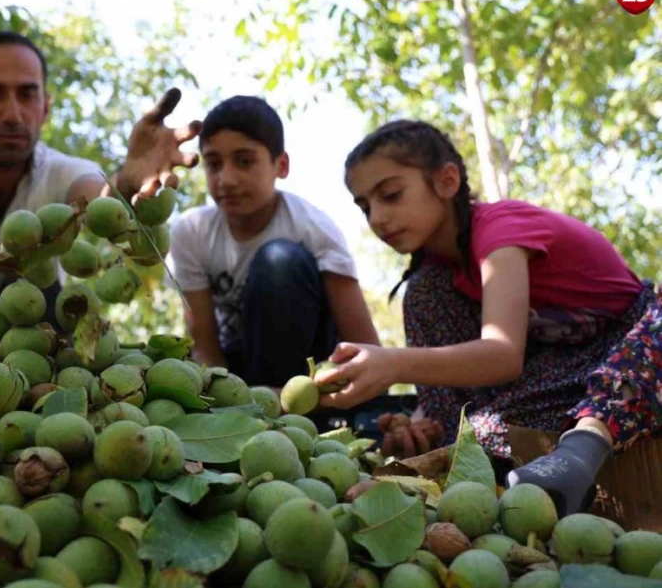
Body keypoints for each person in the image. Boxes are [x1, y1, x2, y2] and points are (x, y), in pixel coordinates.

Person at [319, 118, 662, 517]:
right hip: (565, 371)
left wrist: (392, 363)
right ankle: (454, 458)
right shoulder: (436, 279)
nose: (376, 218)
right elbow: (465, 381)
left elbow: (502, 354)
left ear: (447, 182)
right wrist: (419, 424)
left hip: (636, 342)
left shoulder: (500, 231)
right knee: (428, 300)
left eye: (391, 195)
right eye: (364, 207)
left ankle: (585, 444)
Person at [0, 31, 202, 370]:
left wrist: (128, 185)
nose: (12, 113)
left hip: (35, 372)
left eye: (27, 94)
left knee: (37, 286)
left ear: (45, 107)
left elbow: (97, 197)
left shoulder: (65, 171)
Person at [166, 95, 381, 387]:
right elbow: (204, 346)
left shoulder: (312, 228)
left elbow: (365, 348)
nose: (226, 179)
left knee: (279, 259)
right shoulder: (191, 232)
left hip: (307, 378)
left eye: (244, 161)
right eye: (213, 164)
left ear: (281, 165)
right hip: (237, 375)